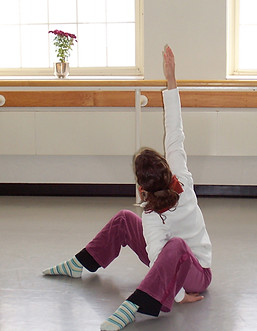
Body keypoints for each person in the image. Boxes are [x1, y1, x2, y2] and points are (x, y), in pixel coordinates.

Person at [42, 45, 212, 331]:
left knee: (176, 246)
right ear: (167, 169)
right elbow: (175, 131)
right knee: (124, 218)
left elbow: (161, 257)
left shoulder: (156, 212)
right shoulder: (179, 178)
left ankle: (135, 305)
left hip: (197, 271)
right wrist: (171, 79)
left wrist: (180, 294)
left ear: (141, 187)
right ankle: (79, 264)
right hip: (166, 262)